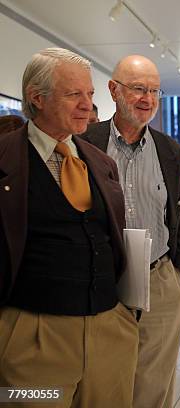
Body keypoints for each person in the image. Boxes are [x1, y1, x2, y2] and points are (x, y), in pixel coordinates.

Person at [0, 47, 138, 406]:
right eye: (74, 93)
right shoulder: (4, 159)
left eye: (90, 94)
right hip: (32, 342)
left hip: (110, 333)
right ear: (37, 98)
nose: (87, 105)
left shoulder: (101, 162)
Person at [81, 55, 180, 408]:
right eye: (138, 89)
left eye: (155, 91)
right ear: (113, 90)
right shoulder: (83, 142)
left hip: (159, 277)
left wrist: (179, 268)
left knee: (153, 384)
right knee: (103, 381)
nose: (148, 99)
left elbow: (179, 216)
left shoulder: (172, 153)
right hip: (101, 280)